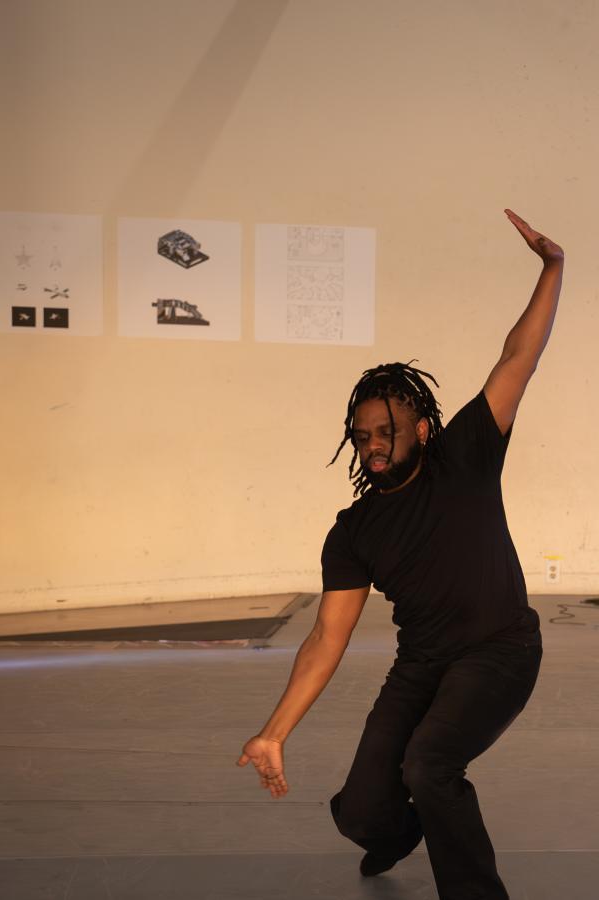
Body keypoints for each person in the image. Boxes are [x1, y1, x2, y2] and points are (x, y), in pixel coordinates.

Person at [237, 209, 563, 898]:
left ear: (420, 426)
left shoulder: (465, 457)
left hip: (500, 652)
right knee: (359, 811)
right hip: (422, 666)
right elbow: (327, 637)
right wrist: (274, 732)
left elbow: (517, 359)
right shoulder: (354, 530)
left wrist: (551, 268)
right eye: (362, 436)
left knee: (429, 765)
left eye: (386, 431)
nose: (374, 445)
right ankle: (400, 834)